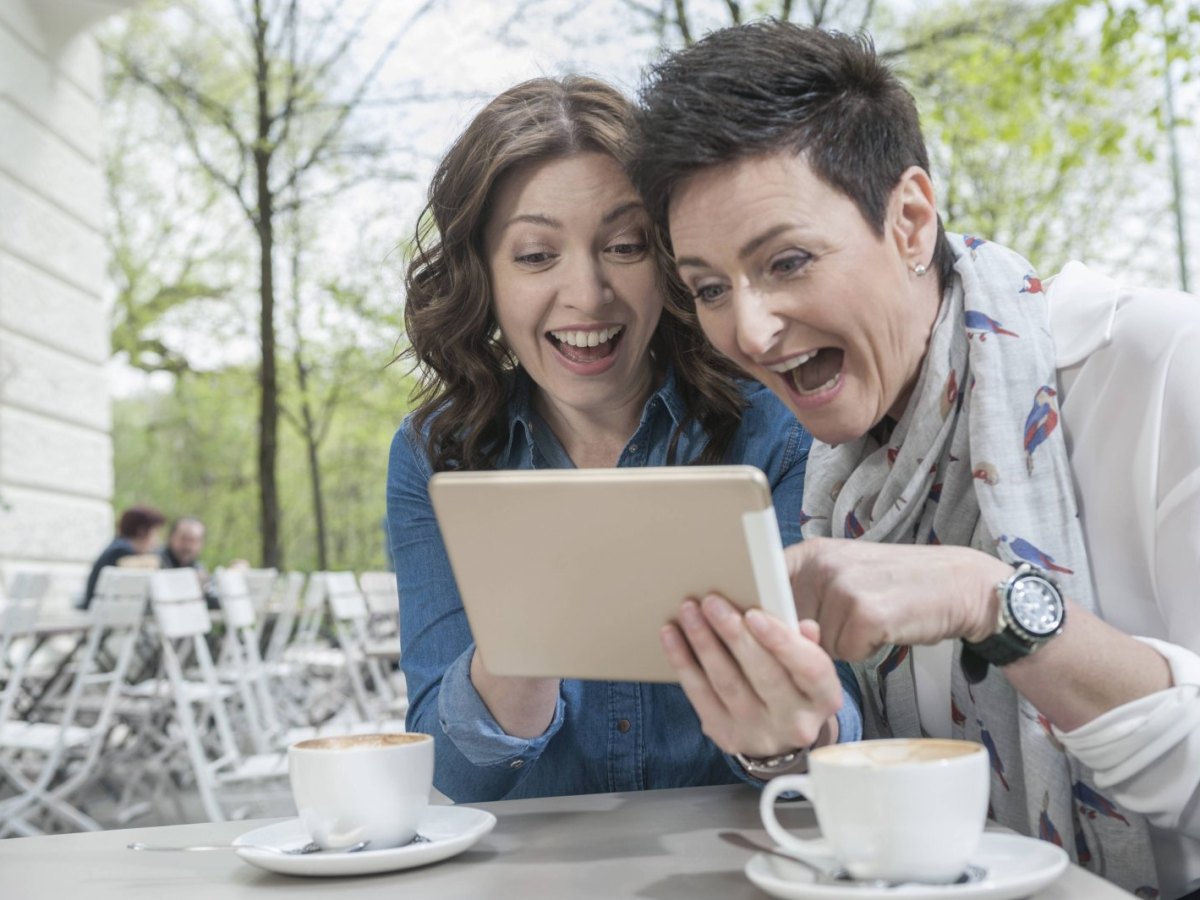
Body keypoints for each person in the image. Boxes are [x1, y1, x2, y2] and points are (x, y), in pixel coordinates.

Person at [631, 21, 1200, 899]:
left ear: (910, 222)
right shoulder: (837, 475)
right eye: (709, 288)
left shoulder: (1159, 365)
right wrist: (795, 740)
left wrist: (991, 599)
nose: (747, 330)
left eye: (786, 261)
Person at [387, 75, 861, 804]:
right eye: (536, 255)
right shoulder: (433, 453)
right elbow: (448, 772)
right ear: (482, 275)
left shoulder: (776, 427)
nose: (587, 294)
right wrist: (525, 636)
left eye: (625, 245)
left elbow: (843, 734)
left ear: (669, 260)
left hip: (742, 859)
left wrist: (787, 733)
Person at [81, 504, 165, 608]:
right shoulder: (123, 553)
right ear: (142, 531)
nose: (156, 541)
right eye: (155, 533)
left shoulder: (117, 547)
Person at [160, 516, 219, 608]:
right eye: (183, 539)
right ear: (171, 537)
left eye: (194, 541)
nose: (188, 546)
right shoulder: (155, 561)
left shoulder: (197, 566)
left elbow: (215, 602)